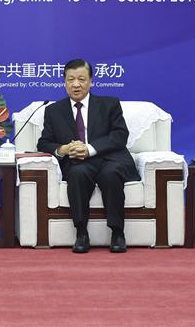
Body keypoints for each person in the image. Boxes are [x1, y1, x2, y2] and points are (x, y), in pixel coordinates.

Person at [37, 59, 138, 253]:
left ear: (91, 81)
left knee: (111, 174)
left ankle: (118, 232)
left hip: (109, 158)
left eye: (81, 79)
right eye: (71, 79)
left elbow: (120, 135)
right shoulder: (53, 110)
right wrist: (64, 149)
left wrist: (90, 148)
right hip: (78, 163)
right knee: (77, 174)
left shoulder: (109, 104)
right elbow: (44, 142)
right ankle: (81, 232)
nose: (76, 84)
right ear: (64, 82)